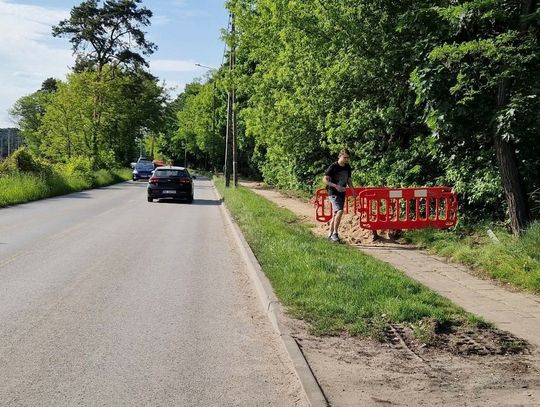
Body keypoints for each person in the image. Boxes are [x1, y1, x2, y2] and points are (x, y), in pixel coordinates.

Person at [323, 149, 356, 242]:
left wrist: (352, 189)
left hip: (342, 192)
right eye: (345, 157)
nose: (346, 159)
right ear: (340, 156)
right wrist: (336, 186)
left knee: (335, 213)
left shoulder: (347, 167)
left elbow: (349, 179)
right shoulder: (333, 166)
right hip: (332, 192)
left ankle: (329, 234)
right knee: (340, 211)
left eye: (348, 158)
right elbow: (325, 180)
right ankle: (335, 234)